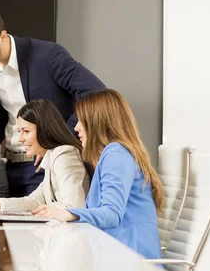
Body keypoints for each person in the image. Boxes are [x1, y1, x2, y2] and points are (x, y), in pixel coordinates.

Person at [0, 5, 105, 198]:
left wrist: (56, 138)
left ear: (3, 36)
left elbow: (95, 92)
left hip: (45, 166)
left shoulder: (47, 55)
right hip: (10, 166)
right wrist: (3, 139)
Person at [41, 89, 164, 259]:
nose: (76, 128)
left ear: (97, 122)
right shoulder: (117, 153)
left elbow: (112, 214)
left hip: (133, 266)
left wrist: (69, 213)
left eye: (81, 121)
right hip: (124, 259)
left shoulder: (116, 154)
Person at [0, 100, 90, 218]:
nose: (20, 139)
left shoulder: (64, 154)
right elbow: (34, 201)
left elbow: (74, 207)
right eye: (20, 132)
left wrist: (48, 209)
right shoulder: (52, 155)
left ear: (45, 129)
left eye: (26, 131)